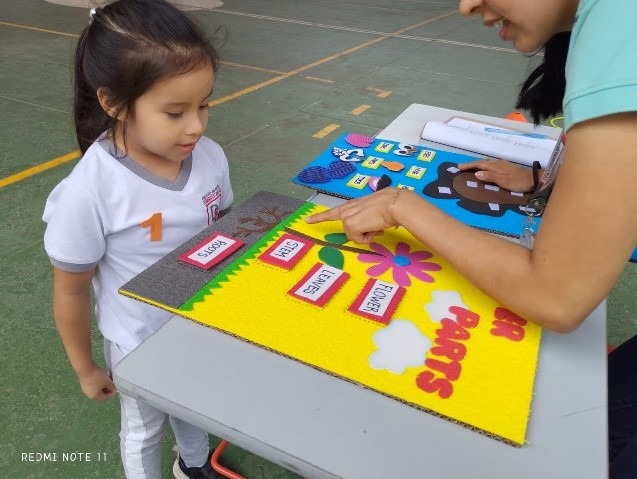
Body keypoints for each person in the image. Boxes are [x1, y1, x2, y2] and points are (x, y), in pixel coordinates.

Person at [306, 0, 637, 477]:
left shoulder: (622, 29)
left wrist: (402, 205)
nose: (466, 6)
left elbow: (556, 297)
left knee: (586, 445)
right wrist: (548, 179)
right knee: (594, 422)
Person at [42, 1, 232, 478]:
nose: (196, 125)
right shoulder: (89, 193)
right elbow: (70, 291)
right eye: (175, 112)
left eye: (204, 104)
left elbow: (228, 233)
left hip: (199, 324)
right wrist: (86, 368)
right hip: (138, 340)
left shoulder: (210, 157)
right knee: (144, 428)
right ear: (112, 103)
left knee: (195, 403)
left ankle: (194, 465)